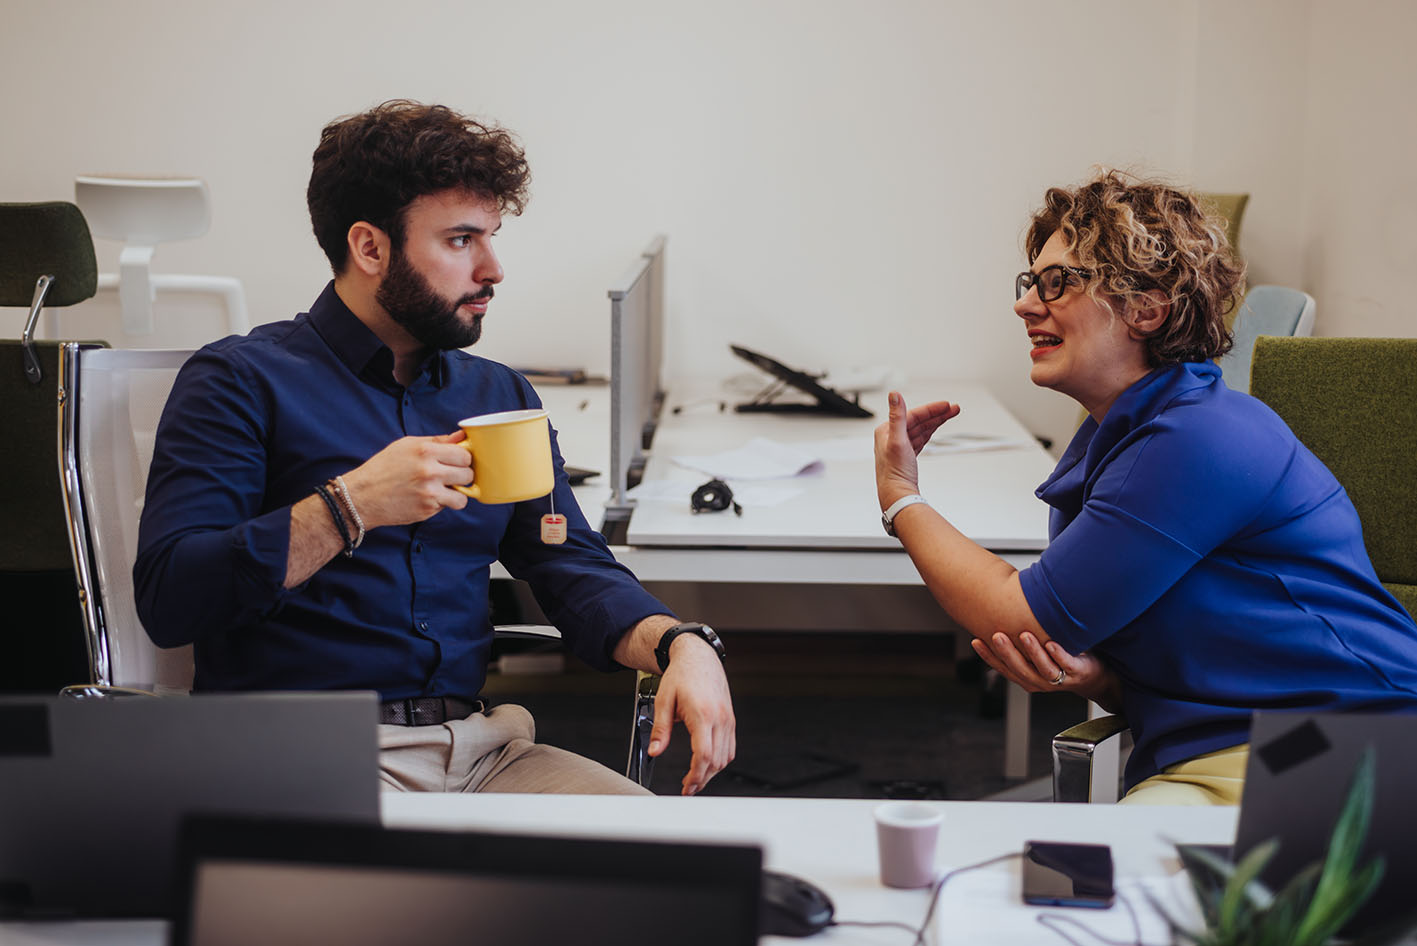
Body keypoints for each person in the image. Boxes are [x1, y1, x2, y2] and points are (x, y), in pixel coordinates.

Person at [134, 100, 734, 797]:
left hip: (481, 754)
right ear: (370, 247)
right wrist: (348, 507)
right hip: (301, 754)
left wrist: (676, 640)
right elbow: (172, 599)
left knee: (671, 867)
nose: (493, 268)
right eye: (460, 240)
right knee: (465, 900)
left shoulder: (497, 395)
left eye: (492, 237)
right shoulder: (240, 381)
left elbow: (568, 563)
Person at [874, 170, 1417, 804]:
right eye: (1030, 282)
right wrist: (1104, 679)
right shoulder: (1131, 437)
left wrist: (899, 495)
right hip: (1230, 745)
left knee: (1109, 893)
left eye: (1057, 282)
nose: (1025, 304)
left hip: (1348, 747)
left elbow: (1016, 617)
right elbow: (1200, 656)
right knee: (1076, 890)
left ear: (1146, 307)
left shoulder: (1198, 441)